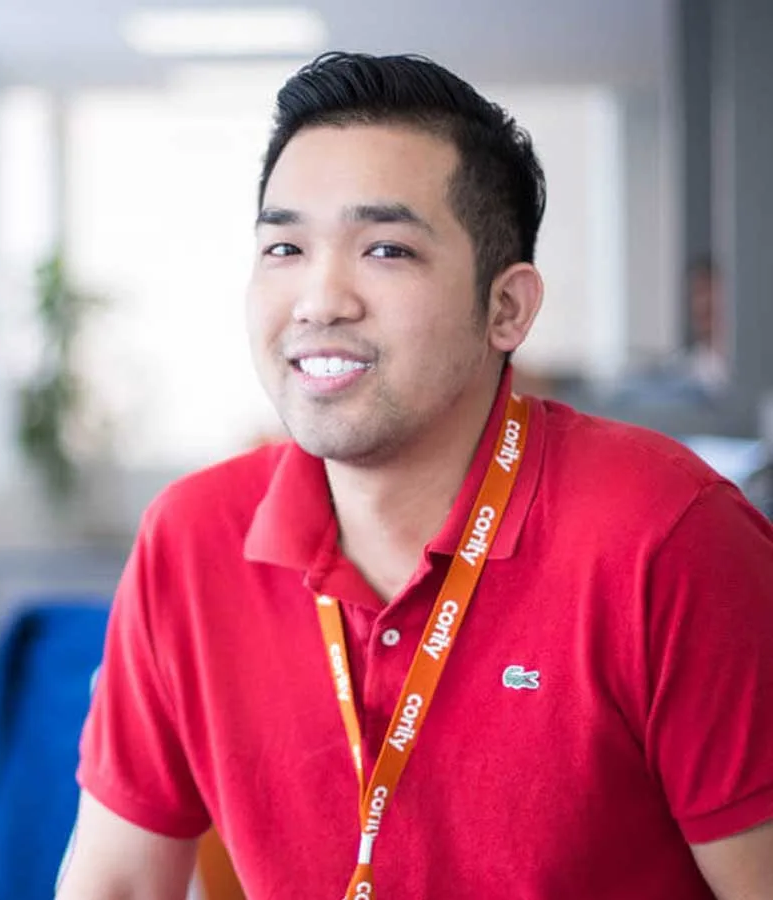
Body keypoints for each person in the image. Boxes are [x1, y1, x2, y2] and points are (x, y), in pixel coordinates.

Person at [56, 52, 773, 899]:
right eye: (283, 246)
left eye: (386, 248)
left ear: (507, 308)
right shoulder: (191, 537)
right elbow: (120, 881)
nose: (320, 299)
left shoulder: (668, 535)